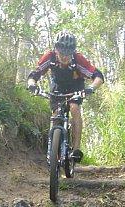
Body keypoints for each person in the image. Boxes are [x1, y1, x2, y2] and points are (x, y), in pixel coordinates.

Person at [27, 31, 104, 163]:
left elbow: (98, 76)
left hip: (76, 86)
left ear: (72, 52)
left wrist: (91, 88)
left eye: (68, 54)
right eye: (61, 53)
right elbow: (34, 74)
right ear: (56, 49)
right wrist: (32, 85)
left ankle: (75, 149)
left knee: (74, 107)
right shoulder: (49, 57)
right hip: (58, 87)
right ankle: (55, 148)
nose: (64, 57)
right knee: (56, 113)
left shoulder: (78, 59)